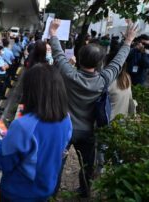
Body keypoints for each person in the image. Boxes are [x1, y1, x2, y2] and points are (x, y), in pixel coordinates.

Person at [49, 19, 138, 197]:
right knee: (87, 165)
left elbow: (58, 55)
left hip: (65, 130)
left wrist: (53, 33)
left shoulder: (69, 74)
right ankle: (84, 192)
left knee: (57, 165)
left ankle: (52, 193)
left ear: (79, 58)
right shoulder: (104, 79)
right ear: (100, 63)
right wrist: (128, 41)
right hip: (89, 131)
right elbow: (118, 62)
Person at [0, 63, 72, 201]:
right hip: (45, 188)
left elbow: (4, 162)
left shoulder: (23, 125)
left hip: (18, 192)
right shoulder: (66, 119)